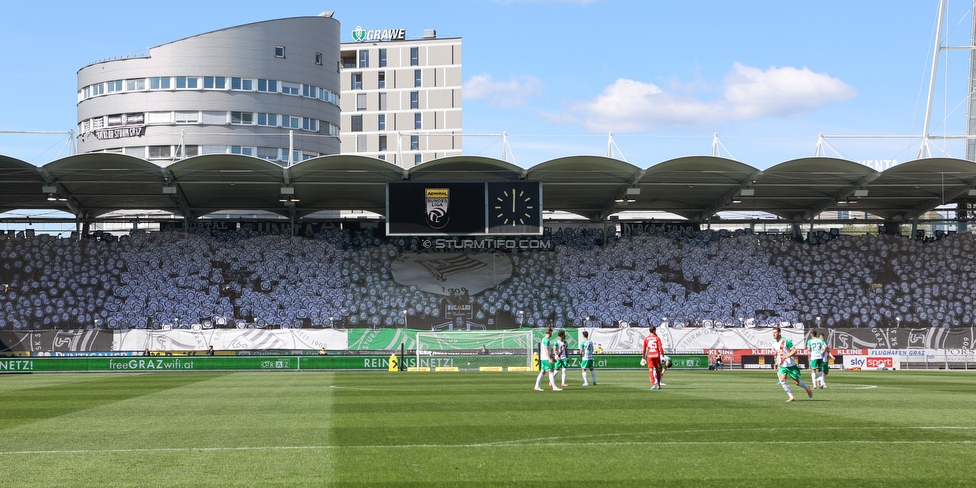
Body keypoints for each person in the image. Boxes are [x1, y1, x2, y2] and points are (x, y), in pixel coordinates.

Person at [772, 327, 813, 402]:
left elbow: (794, 350)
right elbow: (777, 354)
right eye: (773, 333)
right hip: (782, 365)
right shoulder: (774, 344)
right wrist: (776, 363)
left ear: (779, 333)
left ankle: (807, 388)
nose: (773, 334)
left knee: (796, 382)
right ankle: (791, 397)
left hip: (791, 365)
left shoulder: (786, 341)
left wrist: (786, 356)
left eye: (775, 332)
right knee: (782, 380)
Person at [641, 325, 665, 390]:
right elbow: (660, 347)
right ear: (654, 330)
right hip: (656, 355)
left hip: (650, 355)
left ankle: (653, 385)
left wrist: (643, 356)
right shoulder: (657, 338)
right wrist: (662, 355)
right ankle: (659, 385)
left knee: (651, 370)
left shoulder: (646, 339)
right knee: (658, 370)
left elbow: (644, 348)